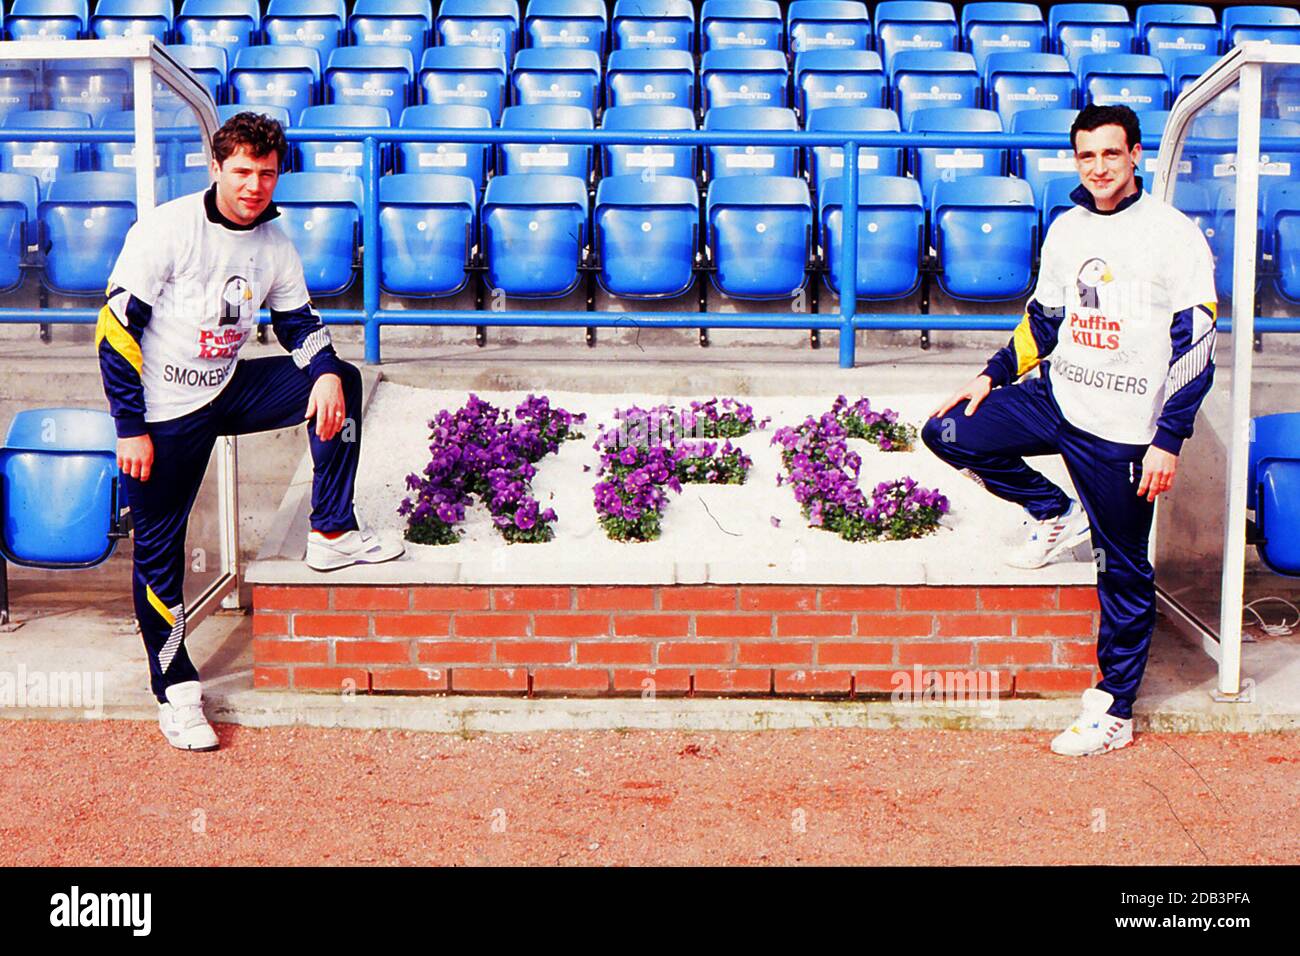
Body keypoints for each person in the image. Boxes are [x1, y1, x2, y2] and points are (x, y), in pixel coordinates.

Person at [96, 112, 403, 753]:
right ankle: (176, 692)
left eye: (266, 174)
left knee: (342, 381)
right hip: (164, 412)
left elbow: (299, 323)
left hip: (228, 389)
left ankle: (332, 531)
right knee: (160, 554)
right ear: (216, 168)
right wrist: (130, 427)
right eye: (241, 171)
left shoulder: (275, 243)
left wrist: (322, 370)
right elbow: (115, 331)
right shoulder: (168, 230)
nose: (253, 186)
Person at [922, 104, 1217, 757]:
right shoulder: (1067, 228)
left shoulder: (1172, 235)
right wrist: (993, 374)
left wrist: (1168, 438)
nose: (1099, 167)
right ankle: (1054, 511)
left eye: (1111, 153)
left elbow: (1197, 346)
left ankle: (1115, 709)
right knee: (948, 431)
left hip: (1123, 430)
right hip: (1058, 396)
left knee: (1122, 569)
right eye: (1087, 155)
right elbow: (1046, 319)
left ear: (1135, 154)